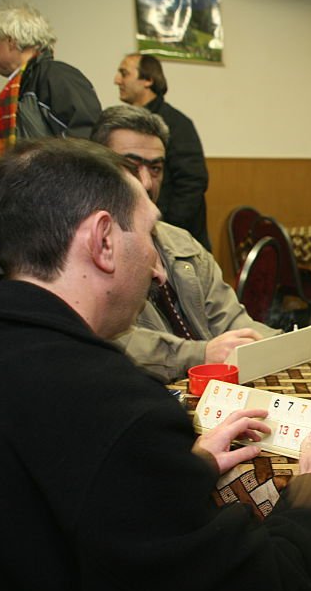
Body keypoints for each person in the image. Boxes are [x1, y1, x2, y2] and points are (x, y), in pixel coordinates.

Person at [0, 137, 311, 591]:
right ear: (104, 241)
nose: (158, 266)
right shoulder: (119, 409)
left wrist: (187, 467)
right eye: (150, 232)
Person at [91, 105, 279, 383]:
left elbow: (230, 318)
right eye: (130, 166)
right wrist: (203, 354)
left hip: (219, 390)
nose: (145, 182)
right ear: (97, 167)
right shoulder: (85, 249)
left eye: (155, 168)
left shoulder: (180, 241)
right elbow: (109, 339)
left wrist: (274, 345)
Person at [0, 1, 100, 184]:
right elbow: (2, 156)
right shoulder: (22, 87)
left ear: (10, 41)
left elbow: (86, 143)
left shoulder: (55, 75)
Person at [114, 52, 211, 250]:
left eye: (124, 74)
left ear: (148, 80)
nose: (116, 80)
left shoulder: (177, 123)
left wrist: (165, 228)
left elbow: (192, 182)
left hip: (175, 244)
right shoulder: (124, 125)